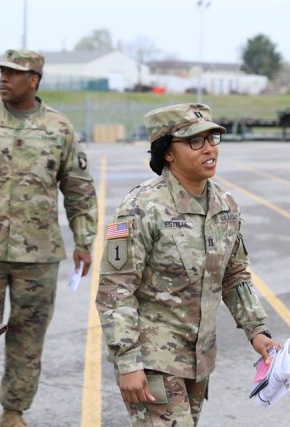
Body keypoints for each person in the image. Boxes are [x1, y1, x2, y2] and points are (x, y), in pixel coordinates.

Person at [95, 103, 280, 426]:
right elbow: (115, 290)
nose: (208, 149)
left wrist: (257, 330)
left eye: (212, 139)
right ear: (167, 151)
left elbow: (234, 275)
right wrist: (128, 361)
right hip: (154, 358)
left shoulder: (224, 205)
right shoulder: (140, 207)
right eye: (195, 141)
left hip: (199, 358)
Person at [0, 49, 98, 427]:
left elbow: (79, 189)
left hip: (38, 255)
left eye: (13, 73)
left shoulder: (59, 128)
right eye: (1, 72)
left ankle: (13, 412)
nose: (3, 78)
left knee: (28, 339)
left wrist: (84, 241)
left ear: (33, 80)